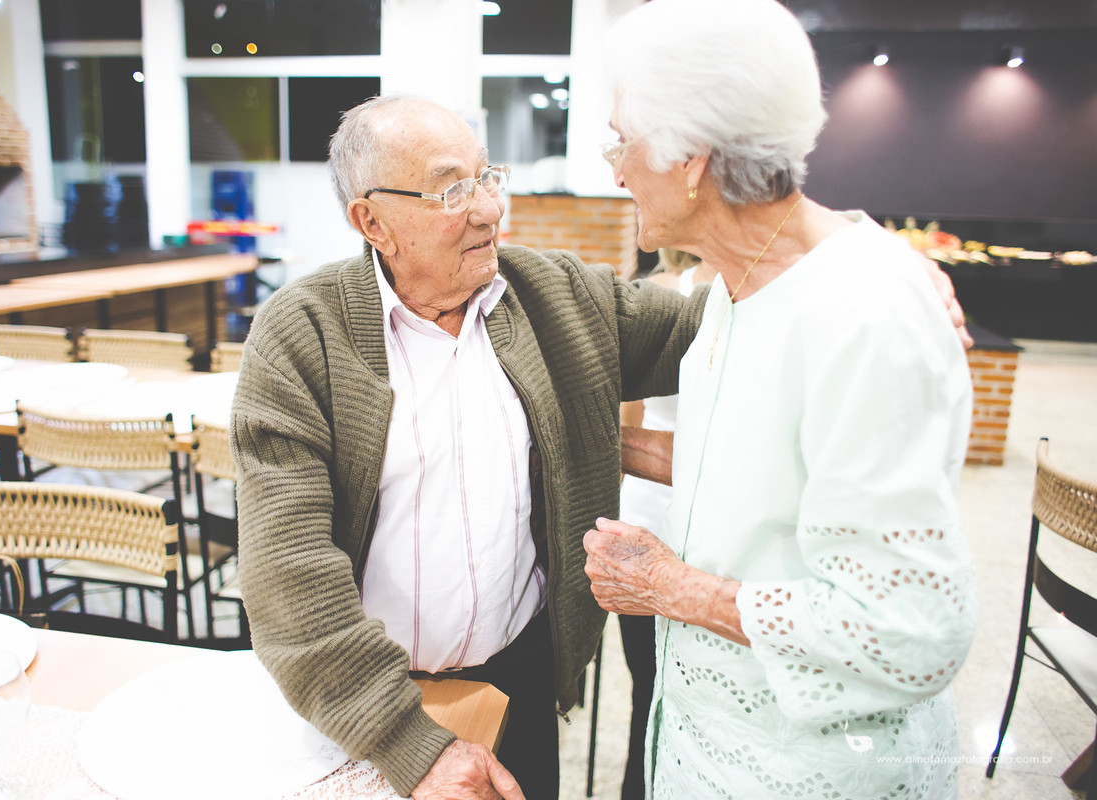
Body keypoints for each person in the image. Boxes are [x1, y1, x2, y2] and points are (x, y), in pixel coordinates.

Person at [229, 94, 709, 800]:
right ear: (372, 221)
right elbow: (289, 574)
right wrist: (409, 744)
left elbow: (703, 334)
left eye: (489, 178)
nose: (488, 209)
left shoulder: (553, 296)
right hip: (362, 707)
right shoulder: (305, 333)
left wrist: (851, 263)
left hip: (518, 682)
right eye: (454, 188)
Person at [583, 1, 977, 799]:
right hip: (716, 747)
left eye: (622, 140)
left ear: (691, 157)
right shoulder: (739, 285)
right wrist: (575, 438)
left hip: (813, 770)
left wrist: (673, 589)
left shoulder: (865, 314)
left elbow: (911, 634)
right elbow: (749, 471)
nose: (613, 168)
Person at [615, 248, 714, 800]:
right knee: (652, 692)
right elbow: (628, 414)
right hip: (653, 521)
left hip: (706, 535)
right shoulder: (663, 295)